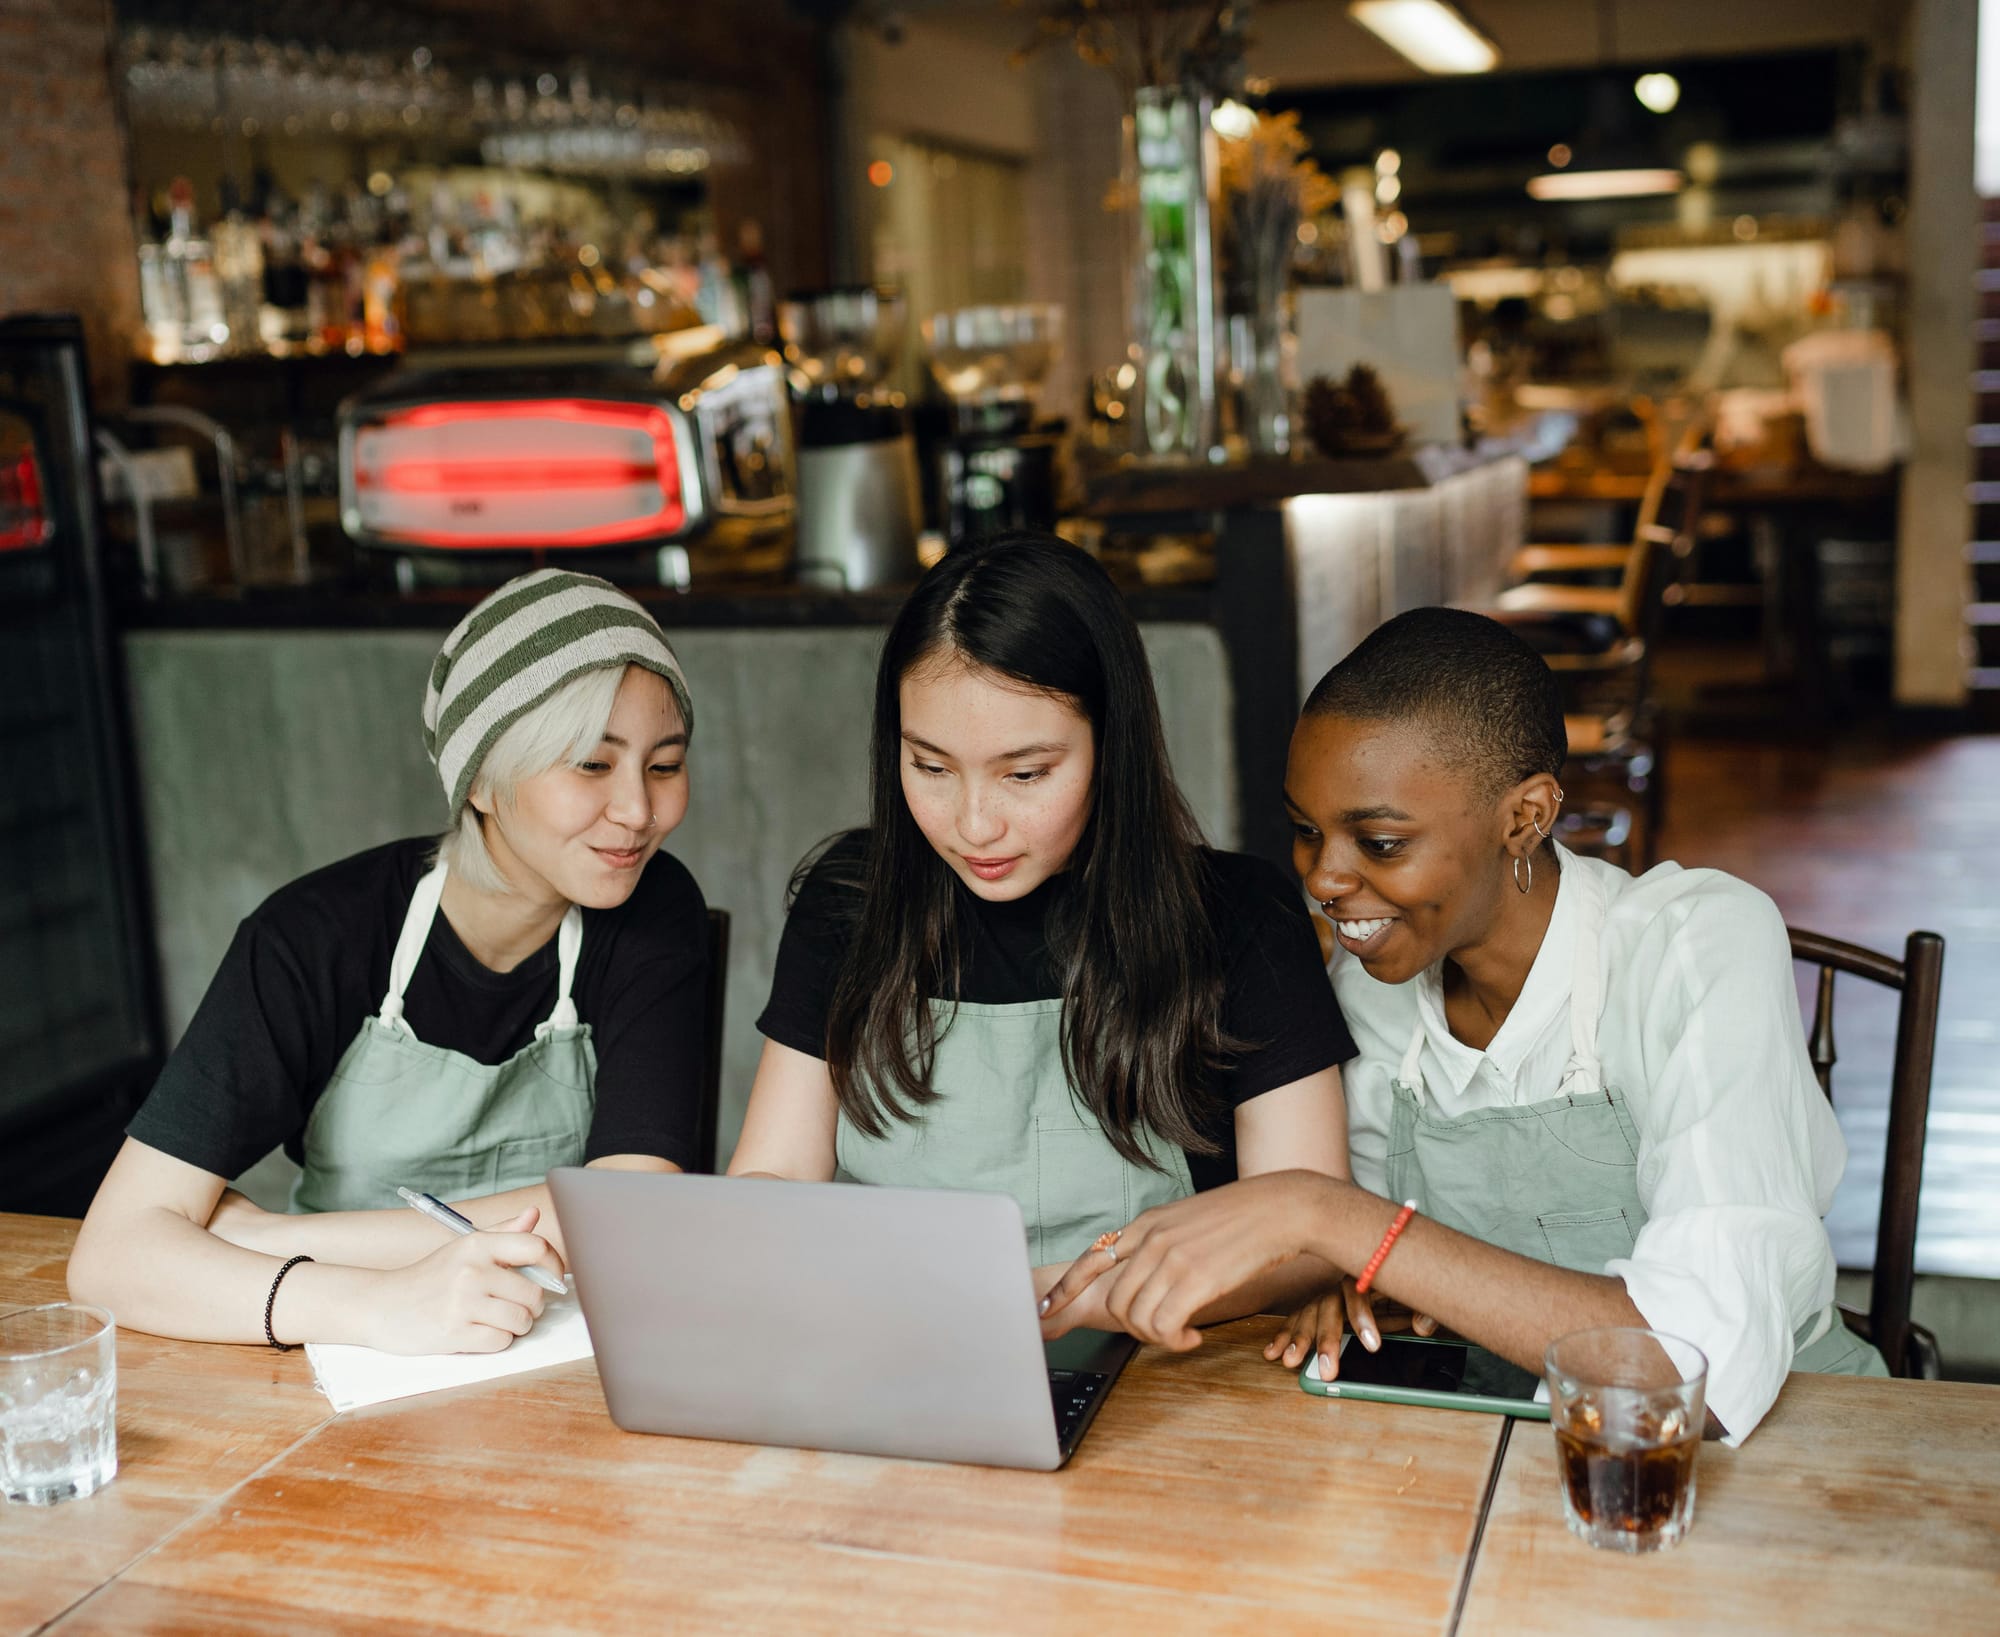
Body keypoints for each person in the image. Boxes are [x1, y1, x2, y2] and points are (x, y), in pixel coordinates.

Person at [1043, 606, 1884, 1442]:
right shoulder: (1375, 987)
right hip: (1504, 1431)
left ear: (1525, 816)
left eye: (1378, 842)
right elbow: (1375, 1266)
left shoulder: (1696, 944)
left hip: (1780, 1445)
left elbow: (1687, 1366)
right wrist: (1341, 1274)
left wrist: (1325, 1215)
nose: (1325, 880)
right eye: (1306, 831)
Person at [69, 570, 710, 1355]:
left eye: (665, 765)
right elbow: (110, 1258)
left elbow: (633, 1216)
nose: (639, 811)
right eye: (591, 765)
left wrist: (270, 1237)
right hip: (336, 1356)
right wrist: (379, 1305)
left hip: (564, 1365)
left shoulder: (653, 911)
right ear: (480, 778)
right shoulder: (314, 936)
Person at [730, 534, 1354, 1334]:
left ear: (1111, 745)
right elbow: (775, 1170)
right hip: (885, 1345)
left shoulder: (1239, 918)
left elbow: (1307, 1234)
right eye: (930, 766)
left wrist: (1072, 1299)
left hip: (1152, 1375)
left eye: (1025, 774)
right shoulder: (849, 902)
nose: (974, 823)